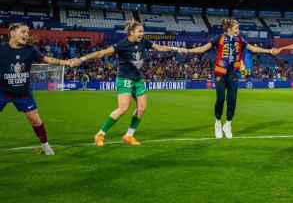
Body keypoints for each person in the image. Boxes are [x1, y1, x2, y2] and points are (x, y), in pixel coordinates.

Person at [72, 20, 189, 147]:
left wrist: (176, 48)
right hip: (125, 78)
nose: (142, 34)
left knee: (142, 108)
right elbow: (102, 52)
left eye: (143, 31)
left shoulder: (144, 42)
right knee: (123, 108)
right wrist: (82, 59)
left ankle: (129, 135)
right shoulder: (122, 45)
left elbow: (159, 47)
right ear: (131, 32)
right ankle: (100, 134)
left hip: (138, 78)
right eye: (139, 31)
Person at [185, 18, 281, 139]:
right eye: (236, 28)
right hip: (220, 71)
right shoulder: (219, 38)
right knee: (220, 98)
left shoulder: (240, 39)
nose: (238, 30)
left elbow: (252, 48)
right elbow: (204, 48)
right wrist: (188, 50)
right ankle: (218, 122)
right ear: (230, 29)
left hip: (233, 72)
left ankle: (228, 124)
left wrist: (269, 51)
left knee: (232, 99)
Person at [1, 23, 74, 155]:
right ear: (12, 33)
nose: (26, 35)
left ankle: (45, 145)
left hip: (23, 92)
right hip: (2, 91)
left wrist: (66, 62)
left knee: (34, 119)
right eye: (23, 32)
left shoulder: (30, 50)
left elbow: (47, 59)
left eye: (27, 32)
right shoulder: (2, 50)